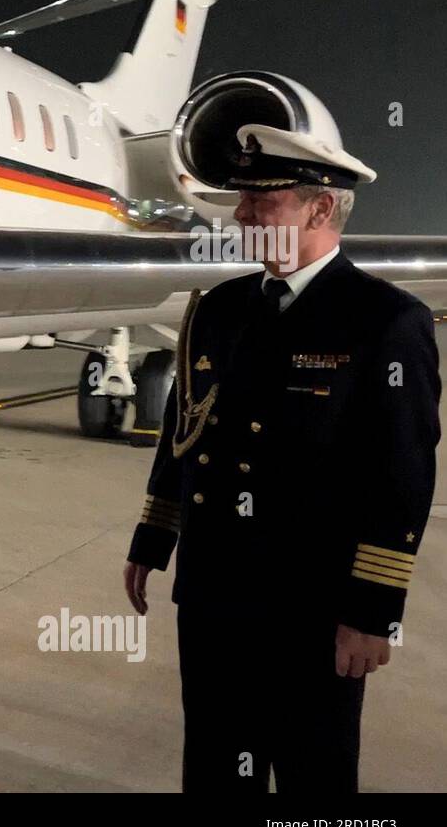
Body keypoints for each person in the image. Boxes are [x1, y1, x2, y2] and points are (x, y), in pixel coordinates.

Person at [123, 122, 441, 792]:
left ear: (319, 207)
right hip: (212, 598)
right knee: (213, 765)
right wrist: (152, 538)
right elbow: (188, 431)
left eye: (259, 201)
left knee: (313, 780)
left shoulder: (383, 321)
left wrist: (371, 611)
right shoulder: (219, 309)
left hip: (312, 609)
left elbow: (402, 478)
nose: (238, 214)